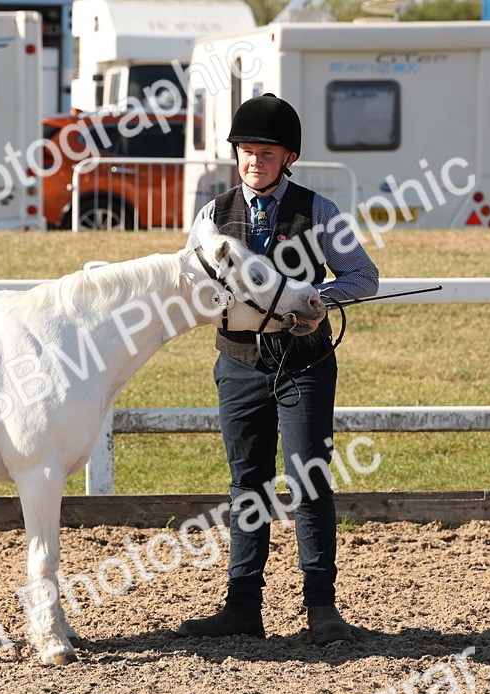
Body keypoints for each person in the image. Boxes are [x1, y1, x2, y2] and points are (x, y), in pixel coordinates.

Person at [176, 93, 379, 644]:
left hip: (304, 364)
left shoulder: (318, 212)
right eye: (246, 150)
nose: (253, 161)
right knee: (248, 484)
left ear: (289, 157)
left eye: (266, 152)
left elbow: (364, 277)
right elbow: (192, 283)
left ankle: (322, 607)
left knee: (309, 478)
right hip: (238, 361)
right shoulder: (211, 216)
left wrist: (318, 300)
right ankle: (242, 606)